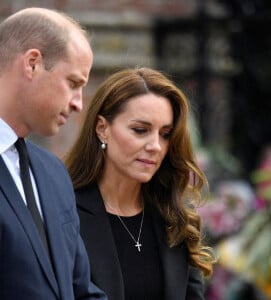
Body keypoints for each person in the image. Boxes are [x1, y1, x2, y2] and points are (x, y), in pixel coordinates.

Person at [65, 67, 216, 300]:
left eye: (165, 134)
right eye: (140, 130)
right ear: (102, 129)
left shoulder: (174, 218)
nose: (155, 145)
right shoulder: (65, 213)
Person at [0, 7, 107, 300]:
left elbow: (80, 289)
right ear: (32, 63)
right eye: (73, 83)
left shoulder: (53, 173)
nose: (78, 104)